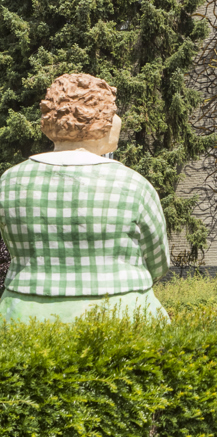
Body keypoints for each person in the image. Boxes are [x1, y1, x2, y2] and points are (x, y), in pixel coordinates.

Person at [0, 73, 170, 322]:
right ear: (101, 121)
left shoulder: (10, 181)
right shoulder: (133, 185)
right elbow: (158, 261)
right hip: (122, 317)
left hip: (24, 316)